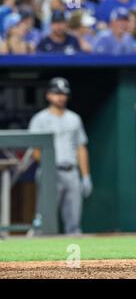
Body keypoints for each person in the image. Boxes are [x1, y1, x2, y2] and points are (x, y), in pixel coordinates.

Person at [29, 77, 93, 235]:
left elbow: (81, 148)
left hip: (71, 171)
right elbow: (35, 151)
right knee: (44, 221)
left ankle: (74, 258)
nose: (61, 96)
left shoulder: (74, 118)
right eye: (57, 93)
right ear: (48, 95)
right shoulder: (39, 119)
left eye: (64, 93)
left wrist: (85, 176)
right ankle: (39, 258)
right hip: (49, 172)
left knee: (74, 223)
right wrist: (46, 170)